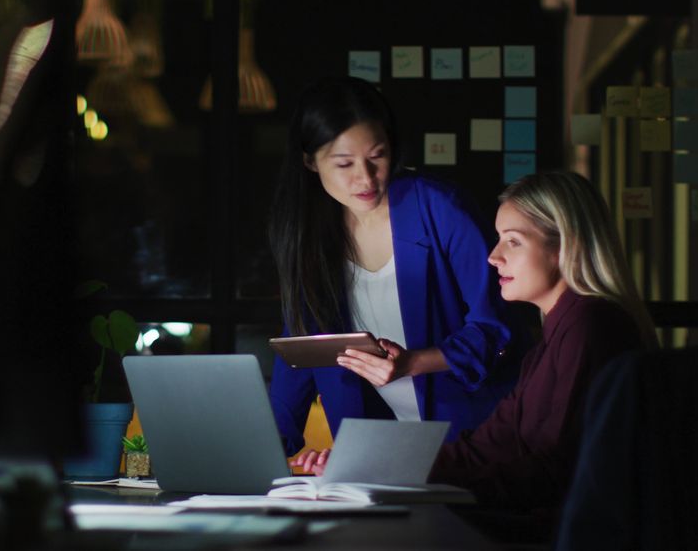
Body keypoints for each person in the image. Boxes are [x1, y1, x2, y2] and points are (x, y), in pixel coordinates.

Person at [267, 76, 520, 470]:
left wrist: (413, 362)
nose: (365, 178)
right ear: (308, 160)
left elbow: (497, 325)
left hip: (475, 438)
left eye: (377, 156)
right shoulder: (310, 235)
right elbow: (302, 346)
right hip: (379, 449)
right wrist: (263, 445)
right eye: (345, 163)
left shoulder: (439, 208)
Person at [427, 170, 658, 513]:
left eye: (513, 241)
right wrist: (383, 470)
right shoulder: (556, 335)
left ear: (565, 246)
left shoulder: (590, 326)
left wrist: (426, 484)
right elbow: (486, 447)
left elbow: (556, 473)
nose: (493, 256)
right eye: (499, 238)